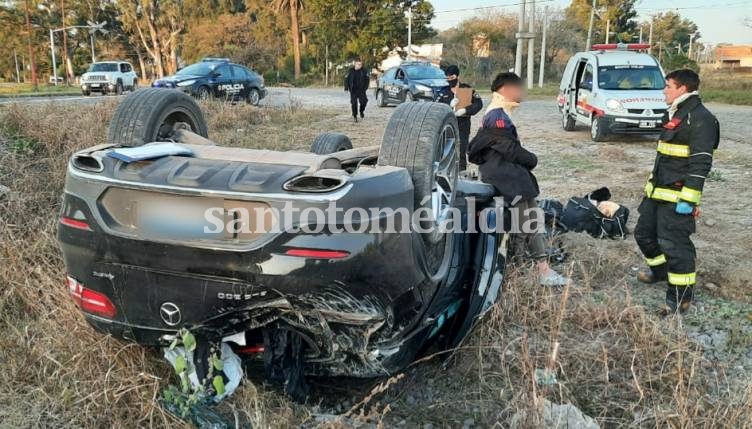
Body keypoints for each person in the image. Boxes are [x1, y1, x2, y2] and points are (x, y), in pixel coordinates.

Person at [468, 72, 569, 287]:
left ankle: (521, 269)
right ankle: (543, 270)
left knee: (522, 224)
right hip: (508, 178)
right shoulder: (497, 116)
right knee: (530, 222)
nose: (522, 92)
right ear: (505, 89)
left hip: (507, 176)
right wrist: (531, 159)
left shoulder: (499, 112)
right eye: (518, 88)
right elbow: (509, 149)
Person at [634, 69, 720, 315]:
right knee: (644, 234)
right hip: (658, 193)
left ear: (682, 89)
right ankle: (660, 273)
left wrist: (689, 200)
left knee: (674, 245)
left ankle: (680, 298)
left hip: (678, 197)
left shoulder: (701, 118)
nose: (664, 91)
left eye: (668, 86)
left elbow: (701, 163)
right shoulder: (677, 113)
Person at [444, 65, 484, 171]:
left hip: (463, 125)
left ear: (457, 76)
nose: (449, 81)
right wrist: (449, 105)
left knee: (461, 150)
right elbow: (436, 107)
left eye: (451, 78)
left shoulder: (466, 89)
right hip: (446, 126)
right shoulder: (443, 92)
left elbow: (478, 104)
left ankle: (461, 171)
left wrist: (466, 110)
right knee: (445, 150)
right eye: (447, 79)